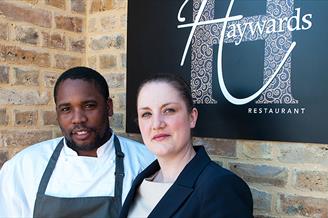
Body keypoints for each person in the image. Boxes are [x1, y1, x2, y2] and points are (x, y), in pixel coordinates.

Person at [0, 66, 155, 218]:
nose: (78, 118)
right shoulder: (25, 167)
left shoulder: (146, 165)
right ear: (57, 113)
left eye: (89, 106)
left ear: (109, 107)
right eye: (66, 109)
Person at [119, 74, 253, 218]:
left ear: (192, 117)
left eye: (169, 110)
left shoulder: (221, 187)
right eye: (146, 114)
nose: (157, 124)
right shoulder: (142, 180)